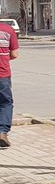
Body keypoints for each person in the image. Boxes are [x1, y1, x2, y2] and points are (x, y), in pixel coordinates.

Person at [0, 17, 19, 148]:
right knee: (5, 103)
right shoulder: (8, 30)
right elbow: (15, 54)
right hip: (3, 74)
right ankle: (2, 132)